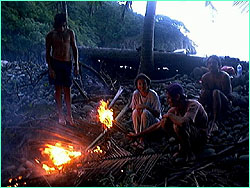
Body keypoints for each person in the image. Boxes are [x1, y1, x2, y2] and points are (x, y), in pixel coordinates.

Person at [128, 83, 208, 161]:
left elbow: (184, 123)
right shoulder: (174, 109)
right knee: (165, 122)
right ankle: (182, 146)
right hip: (189, 135)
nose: (167, 101)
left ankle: (189, 154)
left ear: (177, 97)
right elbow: (158, 125)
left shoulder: (193, 105)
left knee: (177, 126)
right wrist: (137, 135)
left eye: (169, 98)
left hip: (200, 137)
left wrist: (170, 115)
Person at [46, 13, 79, 126]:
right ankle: (60, 114)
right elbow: (47, 53)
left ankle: (69, 115)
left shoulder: (70, 33)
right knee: (58, 90)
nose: (61, 28)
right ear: (56, 25)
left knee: (67, 90)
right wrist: (50, 68)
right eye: (59, 26)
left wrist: (76, 65)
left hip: (67, 63)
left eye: (63, 26)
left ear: (65, 24)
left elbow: (74, 49)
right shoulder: (51, 35)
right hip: (56, 63)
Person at [199, 55, 232, 135]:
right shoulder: (205, 77)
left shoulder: (224, 77)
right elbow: (205, 92)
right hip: (211, 102)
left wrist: (215, 95)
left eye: (214, 63)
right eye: (209, 63)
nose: (211, 65)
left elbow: (228, 95)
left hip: (224, 102)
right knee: (203, 93)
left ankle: (215, 120)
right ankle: (200, 115)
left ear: (219, 65)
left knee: (216, 92)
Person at [131, 73, 161, 148]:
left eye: (144, 84)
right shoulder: (136, 94)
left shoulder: (153, 95)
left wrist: (146, 107)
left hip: (154, 121)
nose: (142, 86)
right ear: (137, 85)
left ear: (148, 84)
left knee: (145, 113)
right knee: (135, 112)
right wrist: (138, 110)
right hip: (141, 119)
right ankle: (137, 137)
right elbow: (134, 108)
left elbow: (157, 114)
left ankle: (142, 139)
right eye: (139, 84)